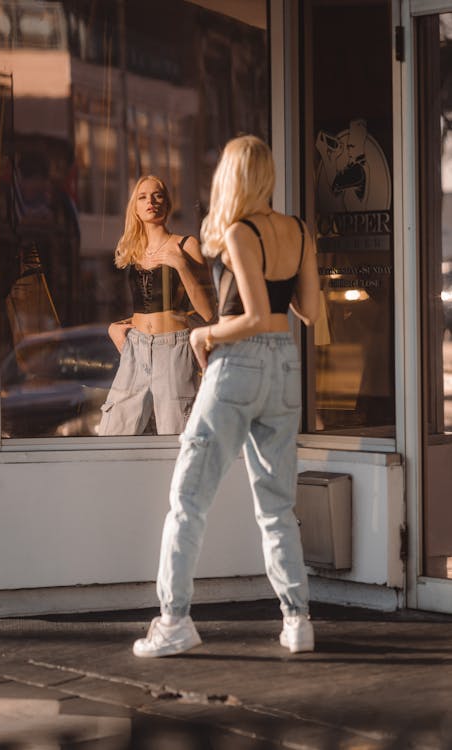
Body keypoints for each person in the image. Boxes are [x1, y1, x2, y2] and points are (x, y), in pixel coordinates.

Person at [132, 135, 321, 658]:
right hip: (286, 365)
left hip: (240, 365)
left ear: (232, 176)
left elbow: (254, 315)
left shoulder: (239, 230)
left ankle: (173, 620)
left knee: (188, 499)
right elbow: (310, 311)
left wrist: (205, 335)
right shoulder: (300, 230)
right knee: (278, 506)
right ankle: (297, 619)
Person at [98, 175, 213, 436]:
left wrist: (181, 265)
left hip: (173, 348)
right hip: (136, 348)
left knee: (176, 437)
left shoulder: (186, 245)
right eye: (142, 197)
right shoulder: (132, 250)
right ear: (135, 208)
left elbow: (207, 311)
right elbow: (147, 307)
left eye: (157, 195)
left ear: (168, 203)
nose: (151, 201)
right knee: (112, 433)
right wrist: (116, 328)